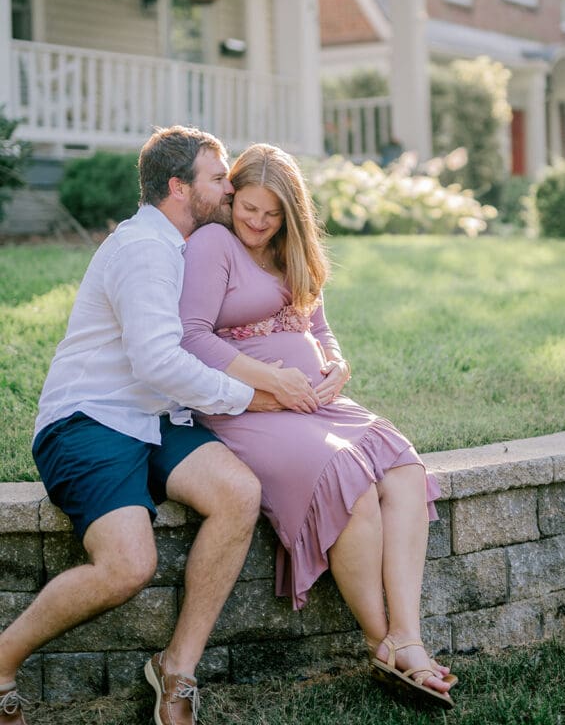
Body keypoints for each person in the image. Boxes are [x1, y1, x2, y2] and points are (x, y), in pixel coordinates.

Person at [0, 126, 316, 725]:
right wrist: (251, 397)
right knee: (127, 566)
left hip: (159, 417)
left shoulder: (185, 242)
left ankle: (177, 668)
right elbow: (158, 361)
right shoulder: (143, 250)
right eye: (218, 178)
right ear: (179, 187)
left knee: (238, 492)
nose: (230, 189)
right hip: (91, 419)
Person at [179, 143, 457, 711]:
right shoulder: (214, 244)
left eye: (270, 213)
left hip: (313, 403)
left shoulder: (292, 252)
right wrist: (274, 381)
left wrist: (336, 366)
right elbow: (193, 337)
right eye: (247, 207)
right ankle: (382, 645)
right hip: (248, 407)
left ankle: (408, 635)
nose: (256, 222)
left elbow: (319, 325)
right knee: (344, 477)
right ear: (233, 199)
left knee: (402, 465)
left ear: (291, 214)